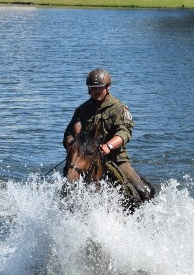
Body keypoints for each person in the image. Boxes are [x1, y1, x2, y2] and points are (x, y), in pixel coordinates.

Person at [62, 68, 152, 200]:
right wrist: (71, 143)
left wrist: (109, 146)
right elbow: (69, 133)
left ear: (108, 87)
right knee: (66, 190)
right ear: (88, 89)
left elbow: (125, 131)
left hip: (114, 158)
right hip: (85, 157)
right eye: (93, 88)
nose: (97, 91)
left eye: (100, 87)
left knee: (143, 191)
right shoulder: (81, 110)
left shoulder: (118, 108)